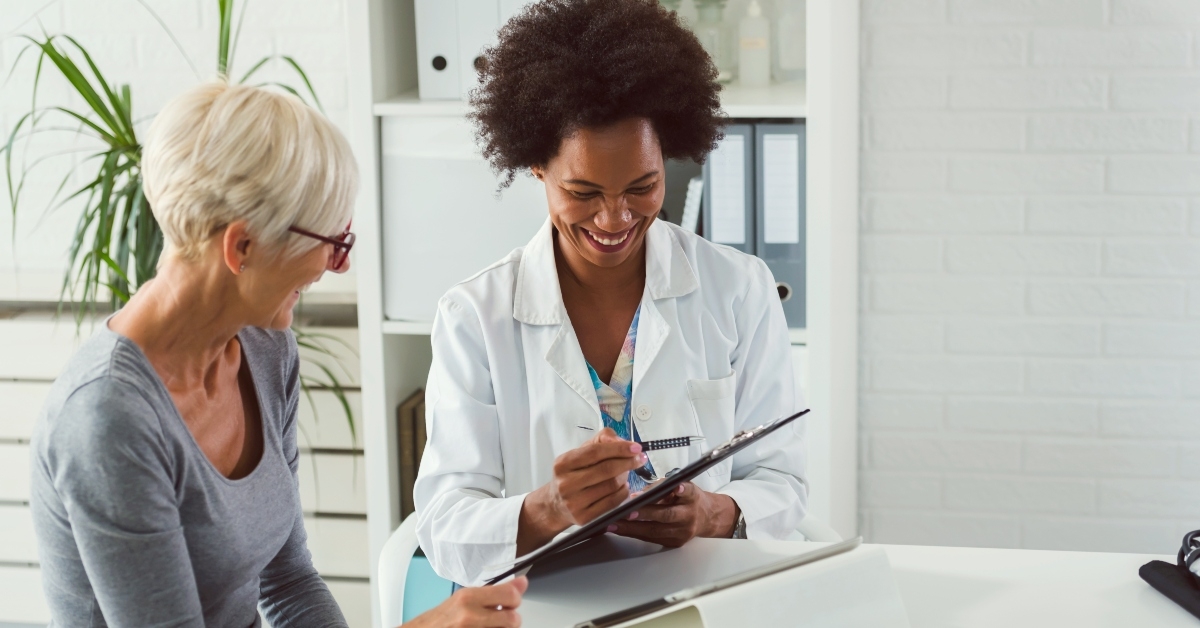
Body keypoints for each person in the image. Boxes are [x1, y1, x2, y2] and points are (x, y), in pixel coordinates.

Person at [30, 81, 526, 628]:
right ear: (241, 247)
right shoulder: (108, 419)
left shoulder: (265, 350)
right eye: (331, 241)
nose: (337, 265)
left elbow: (288, 584)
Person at [414, 0, 807, 587]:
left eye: (643, 186)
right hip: (550, 608)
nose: (614, 217)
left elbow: (785, 484)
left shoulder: (739, 290)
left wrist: (713, 513)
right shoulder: (474, 317)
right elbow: (444, 527)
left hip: (705, 598)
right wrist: (548, 509)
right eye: (584, 190)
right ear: (536, 168)